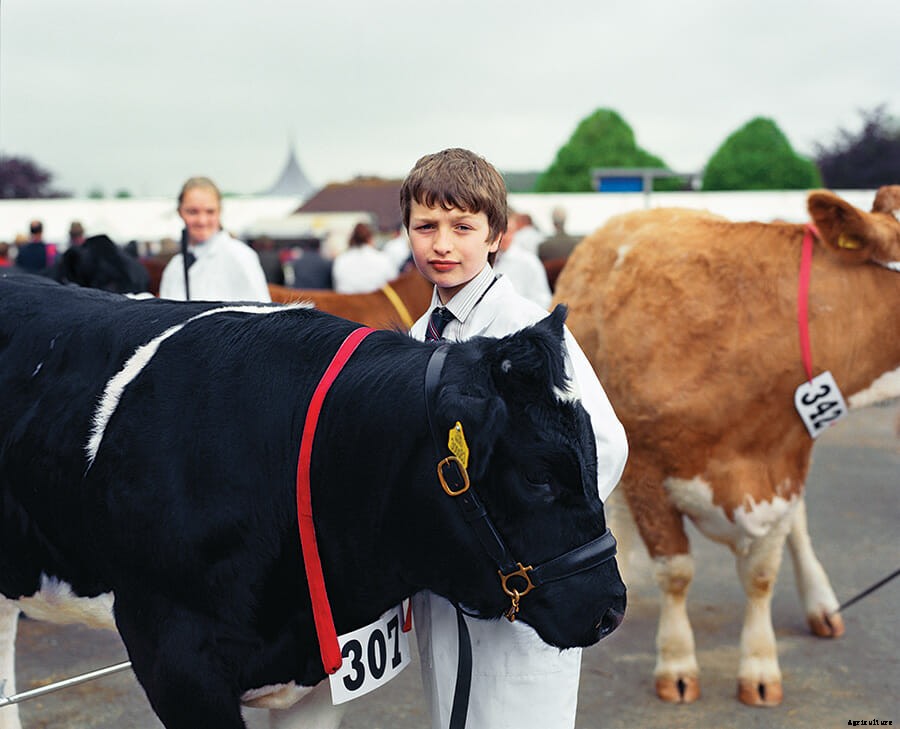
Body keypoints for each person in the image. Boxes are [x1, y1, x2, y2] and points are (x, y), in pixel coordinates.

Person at [400, 147, 628, 729]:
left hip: (524, 585)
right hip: (448, 588)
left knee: (516, 714)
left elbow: (603, 442)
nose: (442, 244)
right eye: (426, 226)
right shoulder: (414, 338)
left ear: (496, 235)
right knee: (452, 709)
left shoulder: (527, 332)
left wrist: (534, 532)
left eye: (462, 227)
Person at [159, 177, 271, 302]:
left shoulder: (241, 256)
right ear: (180, 212)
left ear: (220, 211)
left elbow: (263, 313)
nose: (202, 221)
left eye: (210, 212)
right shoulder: (174, 267)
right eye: (192, 212)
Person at [493, 211, 553, 308]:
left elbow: (543, 300)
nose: (504, 236)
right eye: (499, 231)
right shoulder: (485, 259)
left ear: (515, 231)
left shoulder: (529, 262)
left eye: (509, 231)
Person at [331, 222, 396, 293]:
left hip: (347, 301)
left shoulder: (341, 260)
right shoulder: (383, 259)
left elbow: (336, 285)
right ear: (371, 238)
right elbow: (393, 283)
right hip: (375, 301)